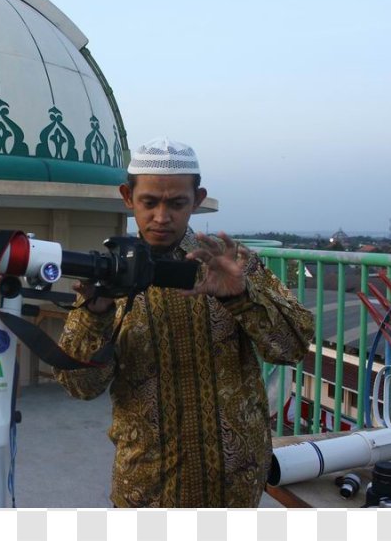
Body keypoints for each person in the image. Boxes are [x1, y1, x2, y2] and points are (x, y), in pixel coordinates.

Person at [54, 137, 314, 508]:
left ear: (197, 198)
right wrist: (96, 315)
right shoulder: (110, 273)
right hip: (148, 488)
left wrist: (242, 297)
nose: (162, 217)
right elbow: (80, 386)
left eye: (176, 203)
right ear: (128, 197)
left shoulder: (233, 262)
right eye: (149, 202)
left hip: (236, 485)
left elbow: (293, 347)